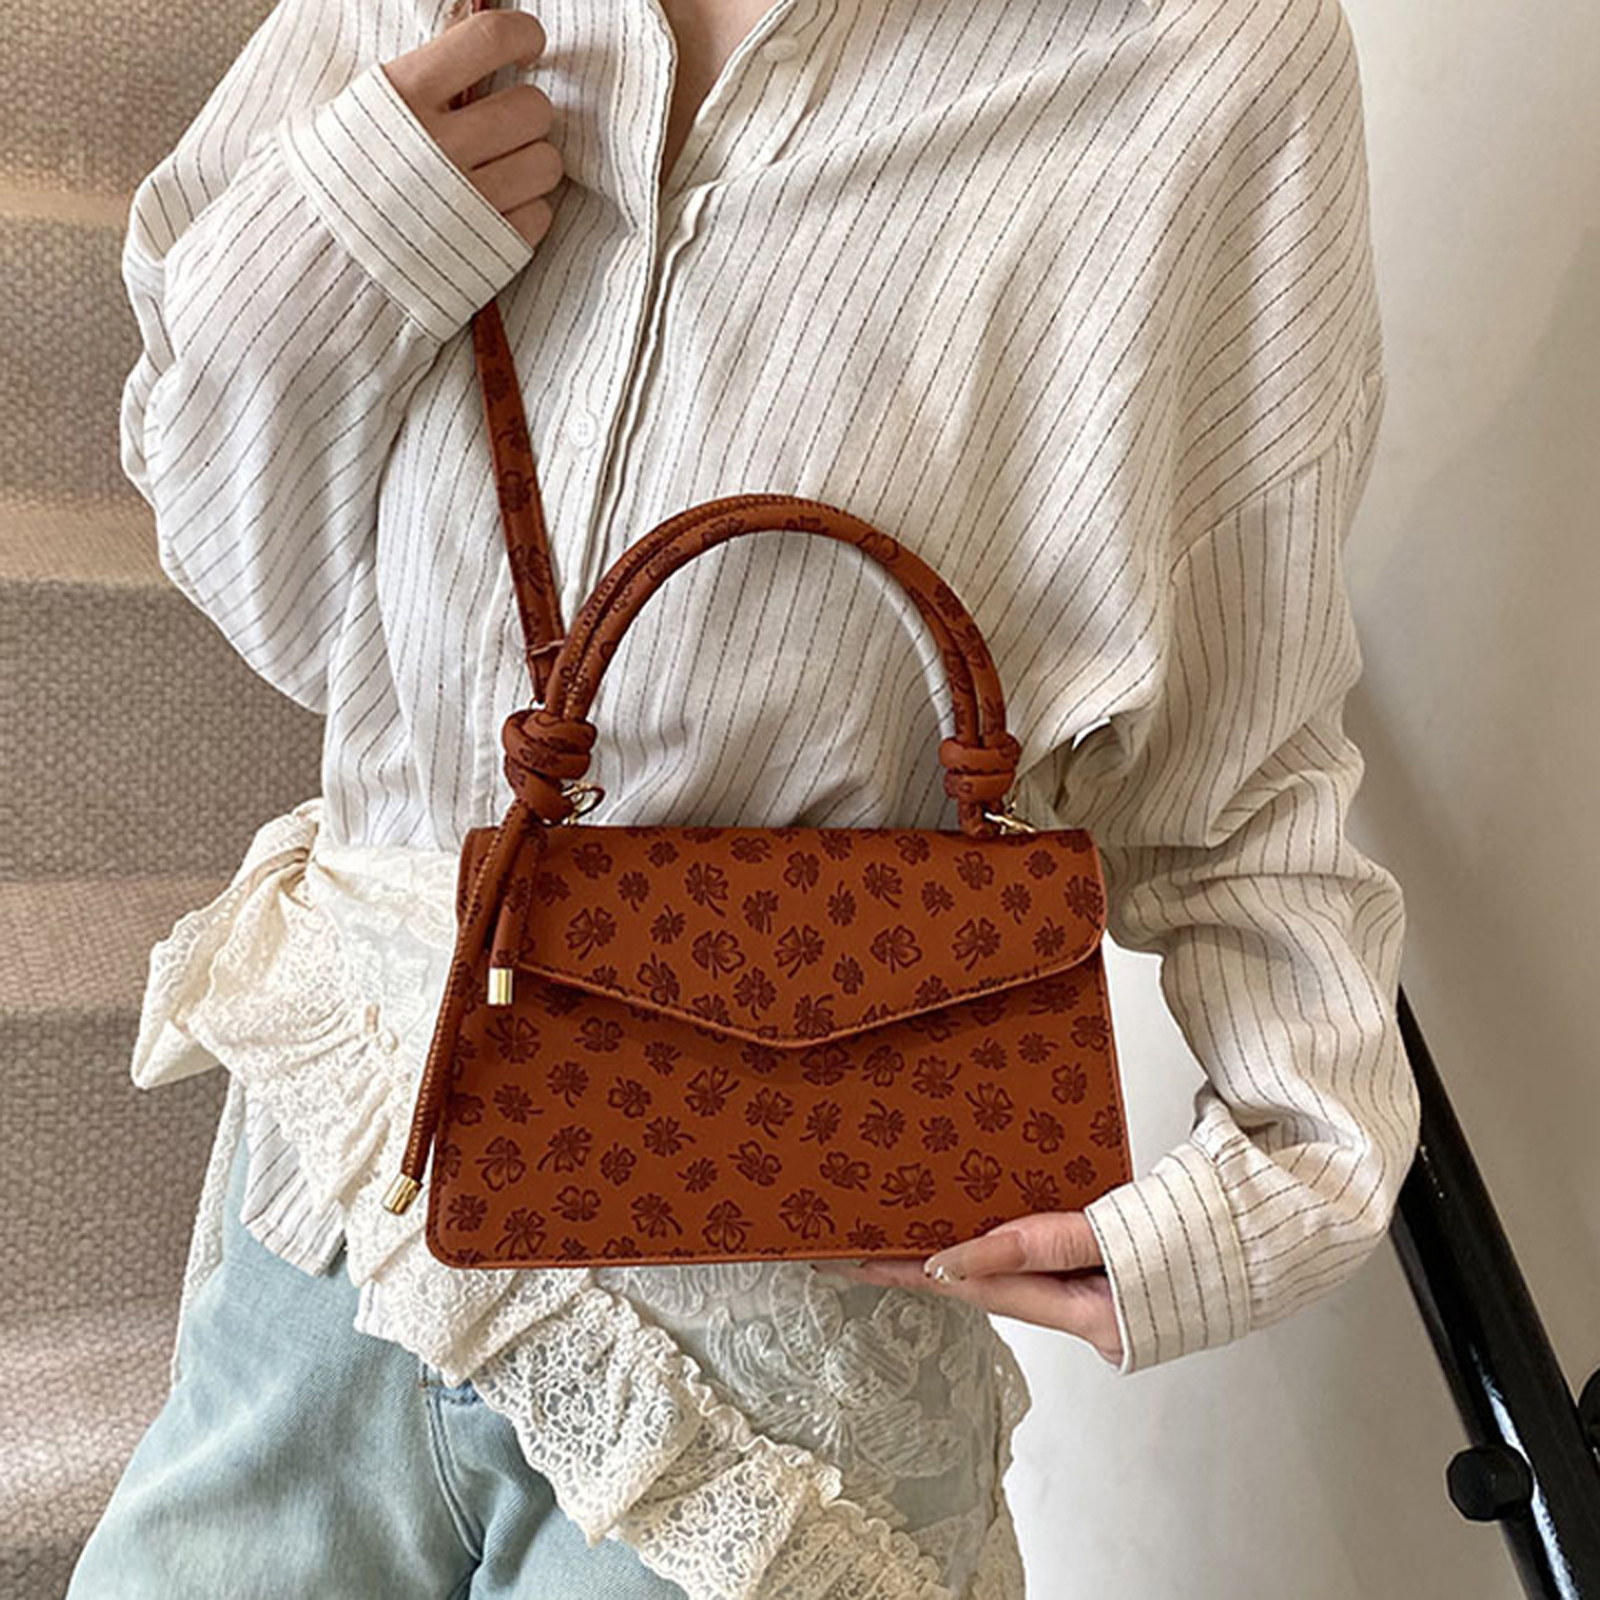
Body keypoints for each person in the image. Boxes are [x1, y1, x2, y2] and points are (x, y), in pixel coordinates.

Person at [67, 0, 1421, 1595]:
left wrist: (1280, 1182)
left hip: (771, 1378)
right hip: (340, 1187)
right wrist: (332, 260)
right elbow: (281, 607)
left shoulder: (1208, 54)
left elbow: (1239, 744)